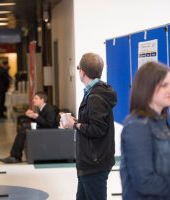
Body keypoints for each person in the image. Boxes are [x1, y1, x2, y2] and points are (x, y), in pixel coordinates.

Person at [120, 61, 170, 200]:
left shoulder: (163, 124)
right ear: (147, 87)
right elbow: (144, 182)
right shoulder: (137, 126)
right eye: (164, 85)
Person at [62, 53, 117, 200]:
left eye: (78, 68)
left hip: (94, 163)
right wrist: (77, 121)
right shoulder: (94, 93)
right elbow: (94, 122)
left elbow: (98, 129)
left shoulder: (95, 96)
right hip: (90, 161)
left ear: (83, 72)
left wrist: (74, 124)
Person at [0, 91, 58, 163]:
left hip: (48, 132)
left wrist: (37, 117)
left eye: (36, 98)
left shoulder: (49, 109)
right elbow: (40, 120)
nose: (33, 100)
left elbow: (50, 125)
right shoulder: (41, 108)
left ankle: (15, 156)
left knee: (23, 131)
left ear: (42, 100)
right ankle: (14, 156)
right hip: (43, 129)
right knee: (23, 130)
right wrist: (32, 116)